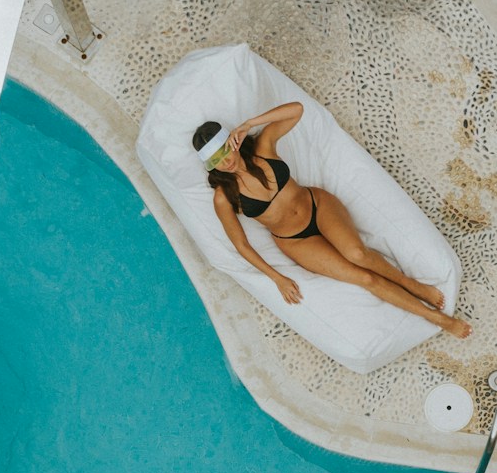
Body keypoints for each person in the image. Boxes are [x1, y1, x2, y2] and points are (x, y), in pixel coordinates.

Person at [192, 104, 471, 338]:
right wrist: (277, 278)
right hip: (296, 241)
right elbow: (241, 245)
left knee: (358, 254)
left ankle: (412, 285)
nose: (225, 162)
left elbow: (297, 110)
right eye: (216, 160)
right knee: (364, 278)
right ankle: (437, 319)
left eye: (224, 150)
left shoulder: (263, 148)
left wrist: (249, 124)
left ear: (233, 141)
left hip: (318, 206)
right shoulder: (223, 197)